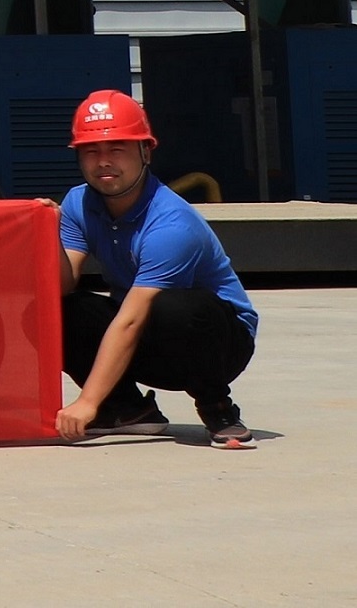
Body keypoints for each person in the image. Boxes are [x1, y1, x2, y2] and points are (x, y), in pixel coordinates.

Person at [56, 89, 256, 447]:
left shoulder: (172, 224)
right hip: (147, 335)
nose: (103, 161)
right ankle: (126, 409)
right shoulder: (77, 203)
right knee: (59, 309)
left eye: (117, 149)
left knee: (174, 306)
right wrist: (46, 233)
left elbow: (133, 319)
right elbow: (62, 284)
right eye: (91, 151)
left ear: (145, 152)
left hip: (218, 343)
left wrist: (86, 402)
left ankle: (218, 409)